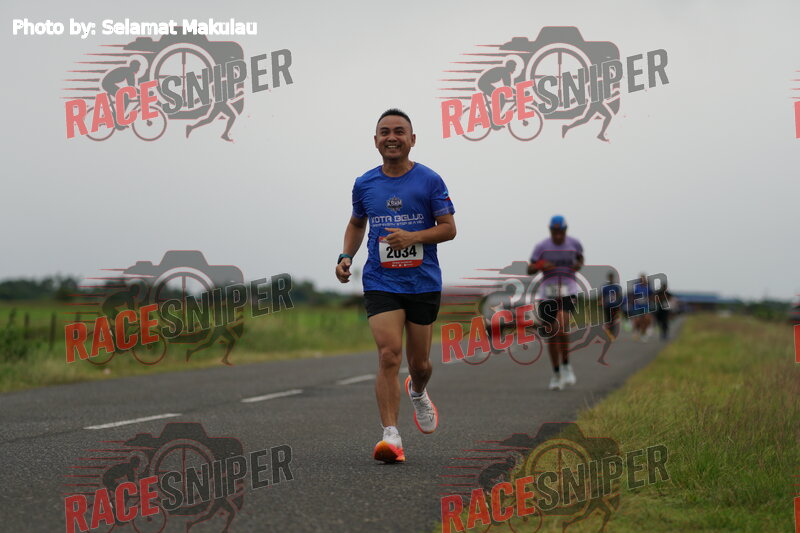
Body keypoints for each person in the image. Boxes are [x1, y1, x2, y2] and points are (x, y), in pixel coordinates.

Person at [335, 109, 457, 463]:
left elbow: (449, 228)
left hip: (422, 281)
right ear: (375, 140)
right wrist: (345, 255)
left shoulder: (430, 180)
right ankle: (391, 436)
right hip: (381, 280)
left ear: (412, 139)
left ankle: (418, 391)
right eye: (385, 132)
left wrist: (413, 237)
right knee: (389, 354)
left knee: (420, 364)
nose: (392, 137)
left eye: (399, 131)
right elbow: (357, 223)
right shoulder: (365, 183)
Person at [527, 215, 584, 390]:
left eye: (561, 232)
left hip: (568, 290)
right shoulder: (542, 247)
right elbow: (530, 268)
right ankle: (557, 372)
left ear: (566, 230)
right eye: (554, 232)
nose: (558, 235)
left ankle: (566, 365)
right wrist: (541, 265)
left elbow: (580, 259)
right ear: (550, 230)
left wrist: (577, 266)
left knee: (561, 324)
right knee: (551, 333)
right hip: (547, 294)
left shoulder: (574, 243)